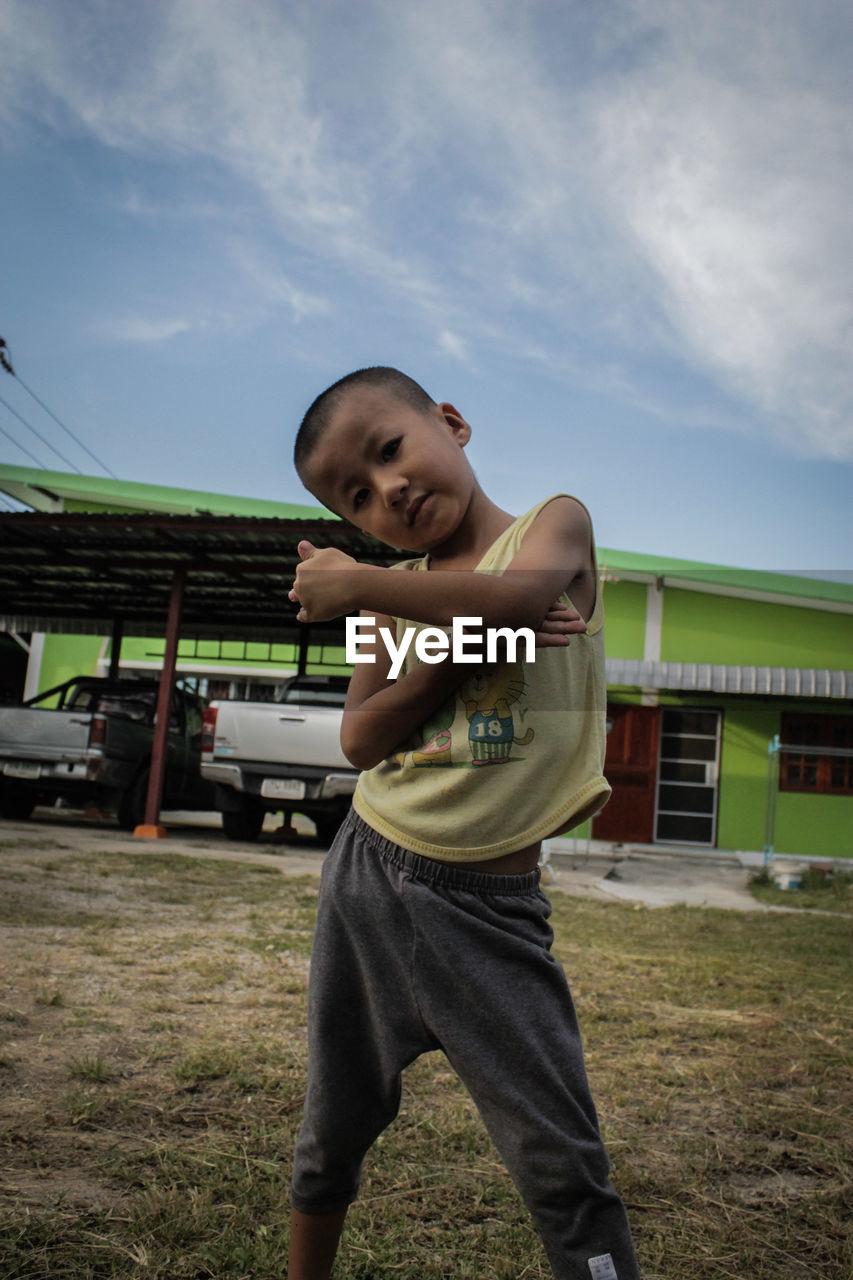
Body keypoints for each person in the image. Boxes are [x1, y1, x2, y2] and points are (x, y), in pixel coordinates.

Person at [286, 367, 640, 1280]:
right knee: (332, 1125)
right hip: (368, 875)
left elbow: (516, 603)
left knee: (560, 1156)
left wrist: (360, 585)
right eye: (356, 495)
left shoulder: (551, 526)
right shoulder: (388, 597)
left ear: (451, 423)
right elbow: (361, 739)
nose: (389, 489)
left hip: (489, 906)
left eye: (391, 449)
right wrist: (445, 654)